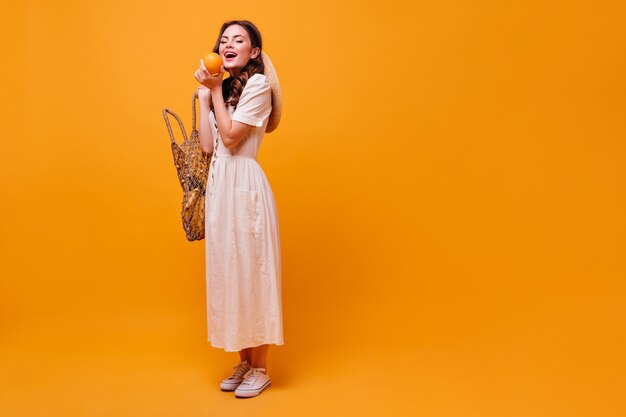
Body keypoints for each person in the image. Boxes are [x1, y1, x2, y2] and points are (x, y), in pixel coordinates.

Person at [193, 20, 283, 398]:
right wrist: (205, 97)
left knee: (252, 270)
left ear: (254, 52)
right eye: (223, 39)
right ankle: (245, 361)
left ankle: (260, 367)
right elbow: (210, 146)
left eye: (238, 40)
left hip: (245, 186)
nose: (228, 44)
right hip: (220, 186)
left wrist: (213, 92)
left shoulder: (259, 86)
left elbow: (232, 138)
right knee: (231, 270)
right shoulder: (225, 88)